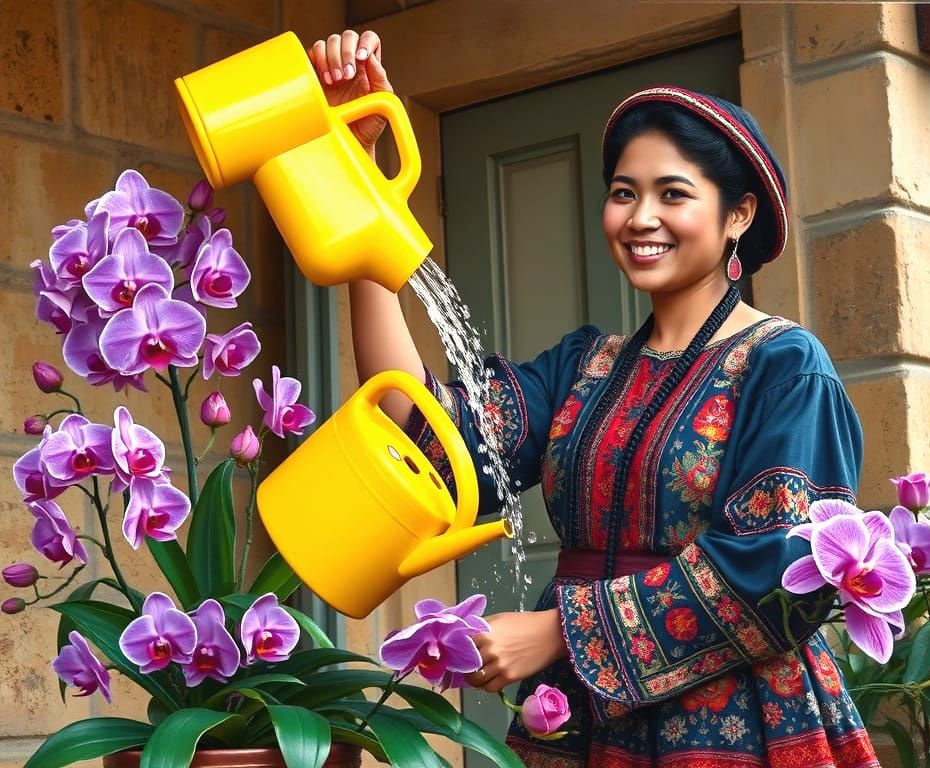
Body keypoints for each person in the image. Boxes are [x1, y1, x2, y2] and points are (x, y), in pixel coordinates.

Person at [309, 30, 880, 768]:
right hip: (579, 721)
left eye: (673, 193)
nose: (641, 216)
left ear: (738, 215)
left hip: (740, 727)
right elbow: (417, 426)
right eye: (623, 193)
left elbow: (783, 571)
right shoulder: (586, 366)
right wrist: (363, 187)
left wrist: (555, 633)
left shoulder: (784, 365)